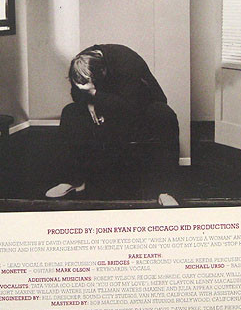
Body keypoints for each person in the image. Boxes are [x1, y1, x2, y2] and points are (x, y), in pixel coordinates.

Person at [45, 44, 180, 206]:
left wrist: (94, 94)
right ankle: (72, 180)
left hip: (141, 105)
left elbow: (130, 107)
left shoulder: (128, 63)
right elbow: (76, 92)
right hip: (107, 101)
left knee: (164, 115)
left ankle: (166, 190)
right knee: (70, 112)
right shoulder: (80, 63)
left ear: (103, 72)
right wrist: (89, 103)